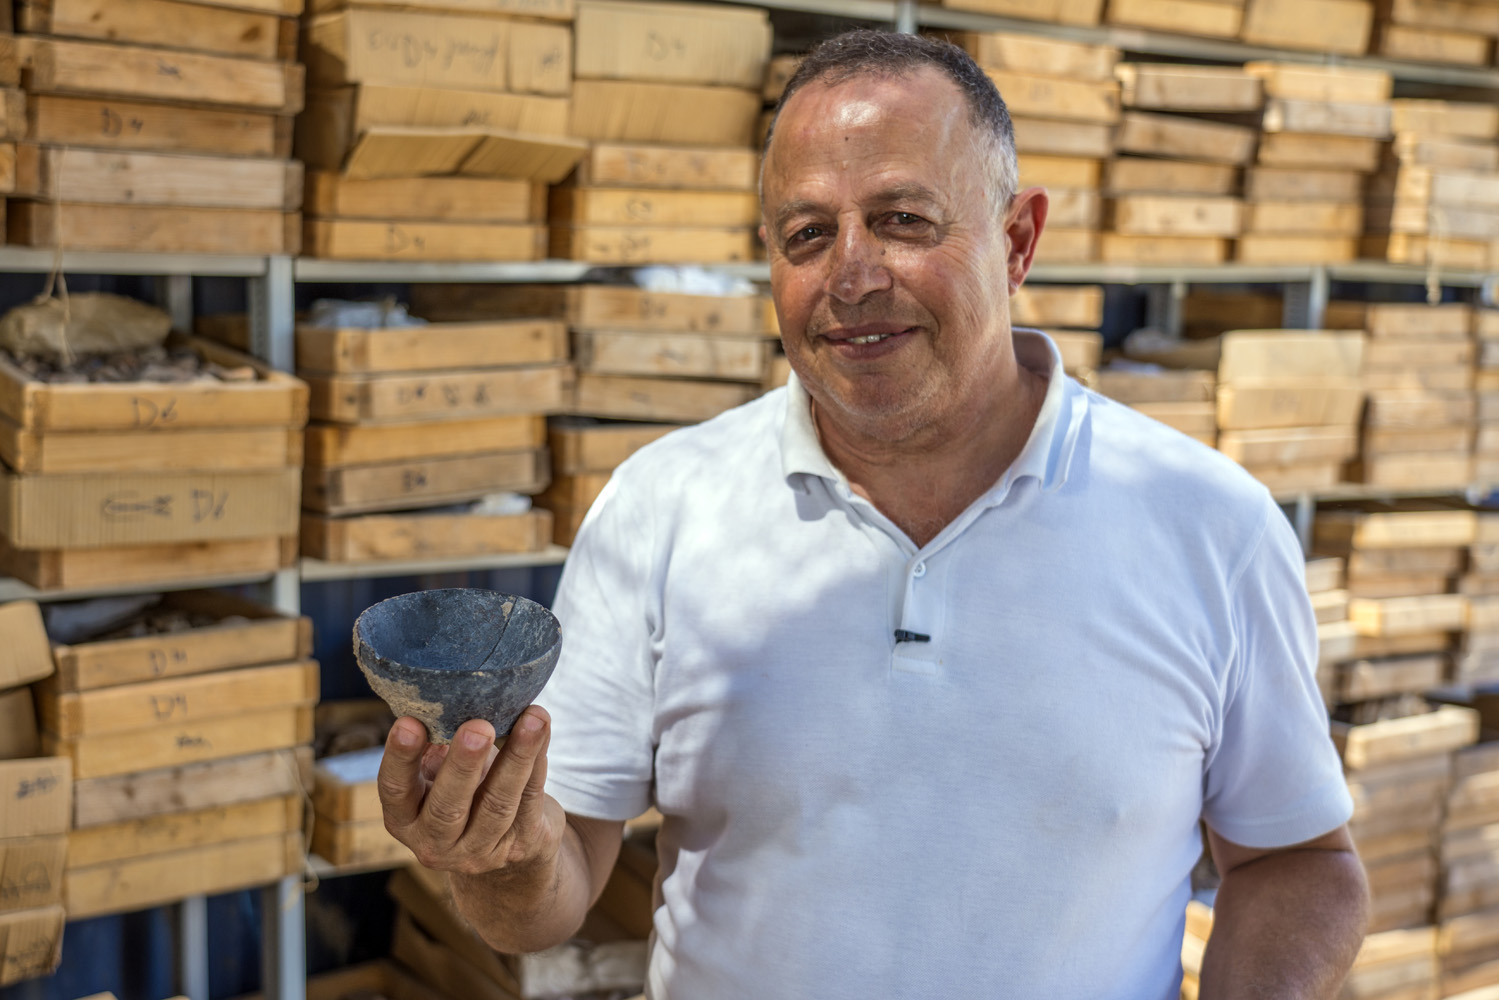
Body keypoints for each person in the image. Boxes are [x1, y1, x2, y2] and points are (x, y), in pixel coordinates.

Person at [378, 29, 1370, 999]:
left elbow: (1297, 862)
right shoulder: (661, 507)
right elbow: (552, 892)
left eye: (901, 220)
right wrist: (499, 858)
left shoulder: (1206, 525)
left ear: (1017, 239)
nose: (849, 276)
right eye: (807, 234)